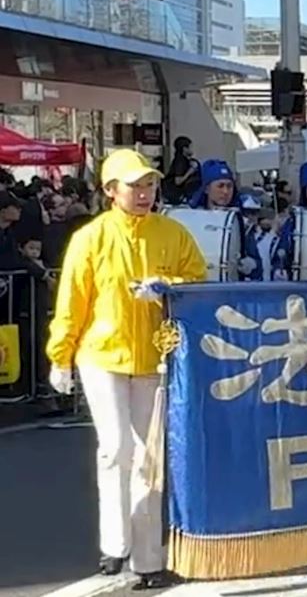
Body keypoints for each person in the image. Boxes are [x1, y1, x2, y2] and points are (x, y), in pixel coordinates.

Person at [45, 149, 207, 590]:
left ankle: (148, 557)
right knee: (115, 449)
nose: (144, 193)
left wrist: (168, 288)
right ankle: (113, 545)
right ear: (110, 190)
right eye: (134, 186)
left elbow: (197, 279)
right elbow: (73, 301)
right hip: (103, 355)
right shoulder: (91, 238)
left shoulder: (172, 233)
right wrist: (60, 354)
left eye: (150, 185)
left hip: (155, 356)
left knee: (149, 459)